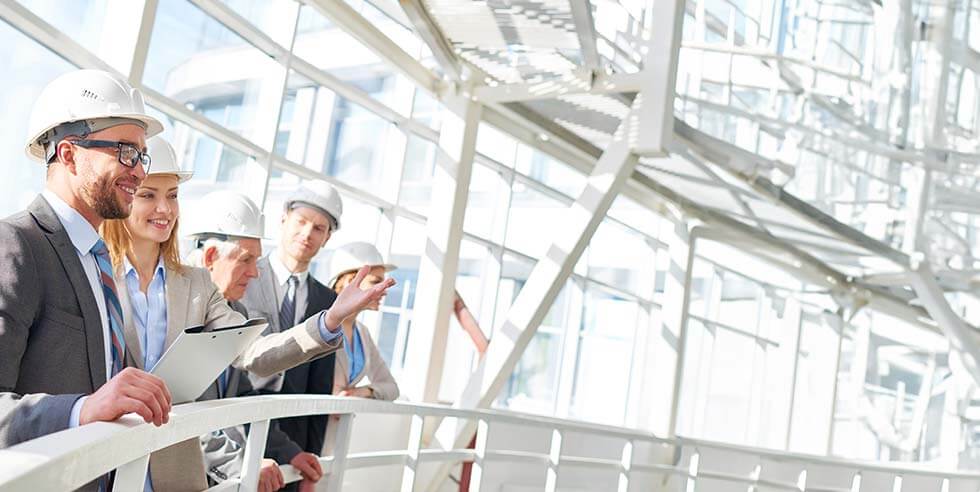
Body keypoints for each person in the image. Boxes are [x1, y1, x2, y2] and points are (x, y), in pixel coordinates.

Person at [0, 69, 171, 491]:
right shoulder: (16, 244)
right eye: (124, 152)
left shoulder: (96, 260)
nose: (138, 172)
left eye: (141, 155)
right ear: (69, 154)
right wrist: (83, 410)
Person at [99, 137, 300, 491]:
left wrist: (328, 324)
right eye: (148, 194)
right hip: (105, 466)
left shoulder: (195, 285)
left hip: (175, 472)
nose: (164, 208)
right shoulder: (95, 274)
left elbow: (252, 352)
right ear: (126, 193)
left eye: (173, 195)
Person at [185, 189, 393, 490]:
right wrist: (244, 462)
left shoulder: (234, 308)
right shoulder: (185, 307)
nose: (253, 273)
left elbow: (243, 392)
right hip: (210, 463)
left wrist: (293, 453)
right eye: (246, 260)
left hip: (265, 444)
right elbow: (184, 413)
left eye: (319, 227)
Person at [240, 180, 342, 479]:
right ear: (283, 220)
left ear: (327, 238)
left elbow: (320, 385)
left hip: (295, 441)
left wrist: (313, 453)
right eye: (301, 222)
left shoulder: (328, 300)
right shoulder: (244, 276)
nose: (307, 234)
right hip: (242, 425)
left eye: (319, 228)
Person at [327, 242, 400, 402]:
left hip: (339, 422)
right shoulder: (321, 326)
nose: (383, 290)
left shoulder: (362, 333)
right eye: (376, 282)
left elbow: (391, 388)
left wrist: (361, 392)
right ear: (350, 282)